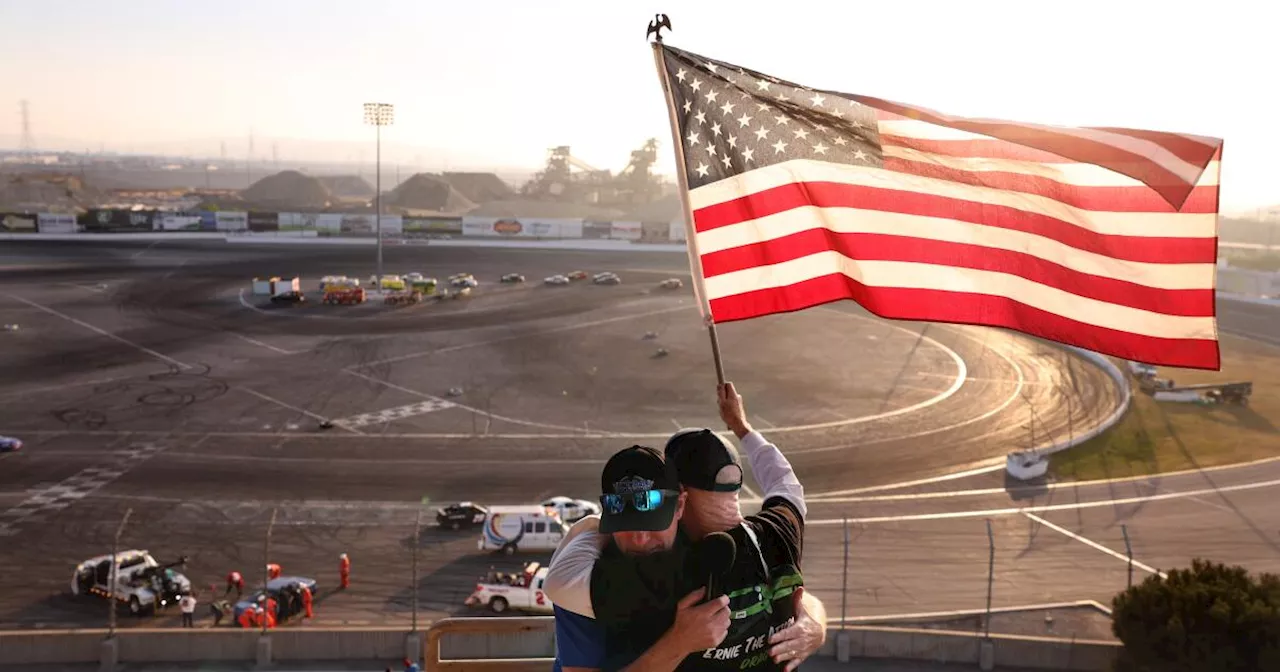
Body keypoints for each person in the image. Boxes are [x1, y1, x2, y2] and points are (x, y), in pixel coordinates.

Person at [546, 382, 825, 671]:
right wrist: (742, 427)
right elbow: (786, 485)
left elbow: (560, 582)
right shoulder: (778, 534)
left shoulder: (664, 578)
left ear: (681, 502)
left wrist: (595, 527)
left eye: (652, 522)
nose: (641, 539)